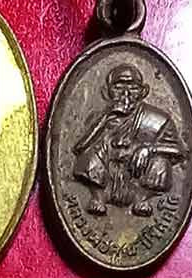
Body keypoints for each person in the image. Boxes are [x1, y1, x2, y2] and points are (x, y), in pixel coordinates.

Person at [73, 63, 184, 217]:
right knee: (89, 153)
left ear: (143, 91)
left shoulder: (158, 119)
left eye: (133, 88)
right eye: (118, 87)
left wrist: (149, 150)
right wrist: (105, 119)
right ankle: (98, 198)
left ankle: (142, 200)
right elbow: (79, 148)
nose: (126, 93)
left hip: (138, 172)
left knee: (161, 163)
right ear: (107, 92)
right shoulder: (100, 117)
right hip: (108, 171)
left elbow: (180, 152)